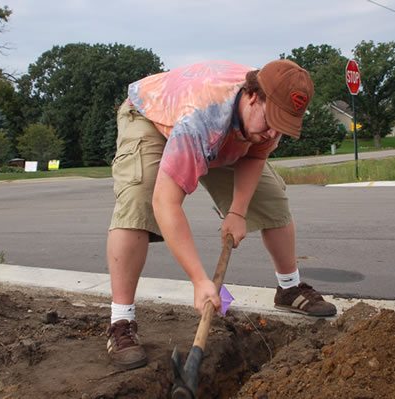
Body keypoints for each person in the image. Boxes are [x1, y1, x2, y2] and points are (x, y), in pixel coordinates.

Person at [105, 59, 337, 370]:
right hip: (152, 115)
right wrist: (200, 281)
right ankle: (121, 321)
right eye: (270, 120)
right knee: (140, 199)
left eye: (280, 125)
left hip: (224, 132)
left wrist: (238, 212)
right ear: (253, 96)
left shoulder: (270, 115)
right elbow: (166, 203)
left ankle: (289, 287)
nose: (272, 132)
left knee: (272, 200)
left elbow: (256, 154)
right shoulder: (201, 118)